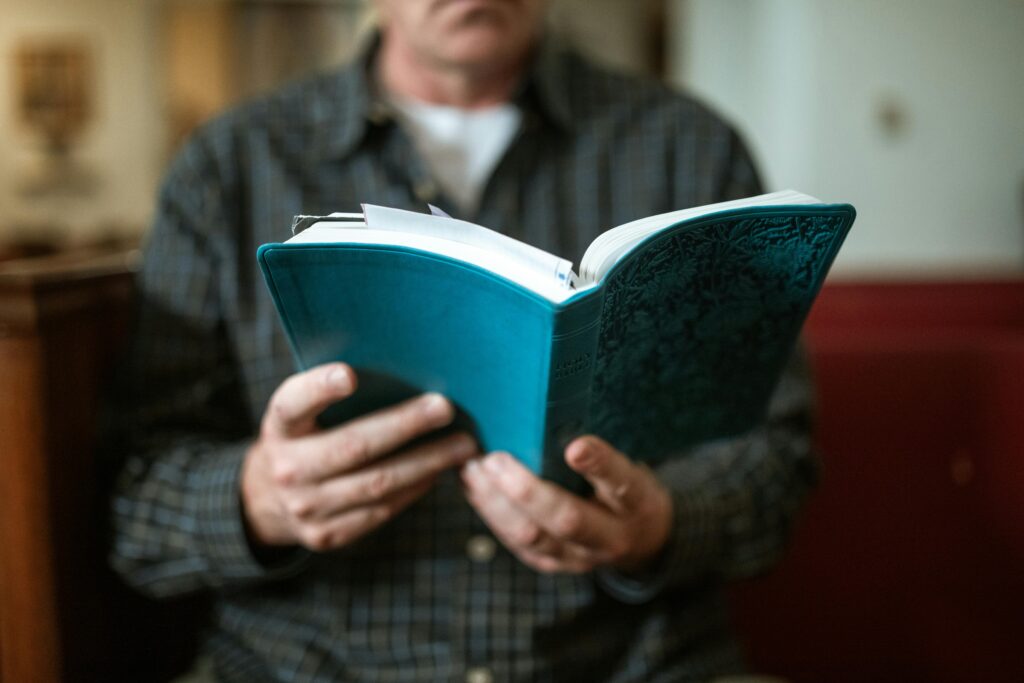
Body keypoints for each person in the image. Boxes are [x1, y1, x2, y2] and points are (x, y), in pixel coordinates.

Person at [108, 1, 818, 680]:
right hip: (297, 666)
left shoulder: (691, 151)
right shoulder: (225, 168)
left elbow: (776, 463)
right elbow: (135, 507)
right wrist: (257, 498)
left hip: (637, 664)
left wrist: (661, 522)